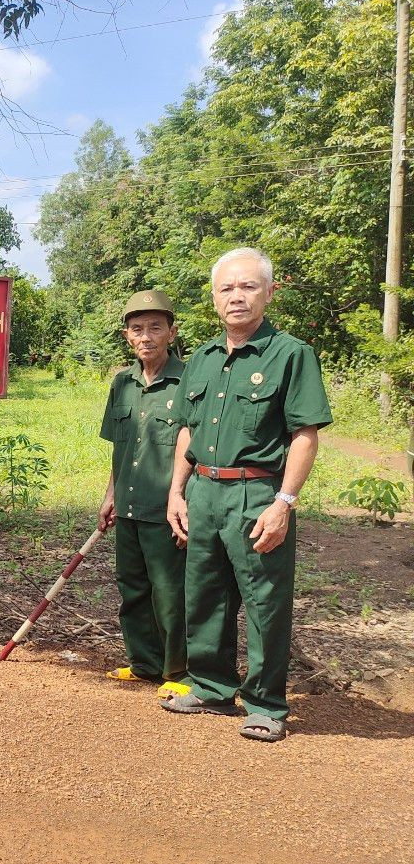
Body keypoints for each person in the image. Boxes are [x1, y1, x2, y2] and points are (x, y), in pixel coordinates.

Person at [163, 248, 332, 742]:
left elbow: (305, 434)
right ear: (214, 298)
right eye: (227, 289)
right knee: (205, 596)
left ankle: (266, 705)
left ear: (269, 292)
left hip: (257, 493)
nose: (237, 296)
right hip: (204, 491)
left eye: (248, 287)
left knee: (264, 602)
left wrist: (285, 503)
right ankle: (213, 688)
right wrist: (177, 491)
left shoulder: (291, 354)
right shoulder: (203, 359)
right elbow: (188, 433)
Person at [97, 290, 190, 699]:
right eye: (137, 329)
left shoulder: (189, 381)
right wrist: (109, 495)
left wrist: (180, 495)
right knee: (132, 587)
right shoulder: (122, 384)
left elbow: (196, 447)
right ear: (127, 335)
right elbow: (120, 445)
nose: (146, 336)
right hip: (129, 506)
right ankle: (144, 663)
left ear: (171, 331)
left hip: (166, 509)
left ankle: (178, 671)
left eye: (155, 327)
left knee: (170, 593)